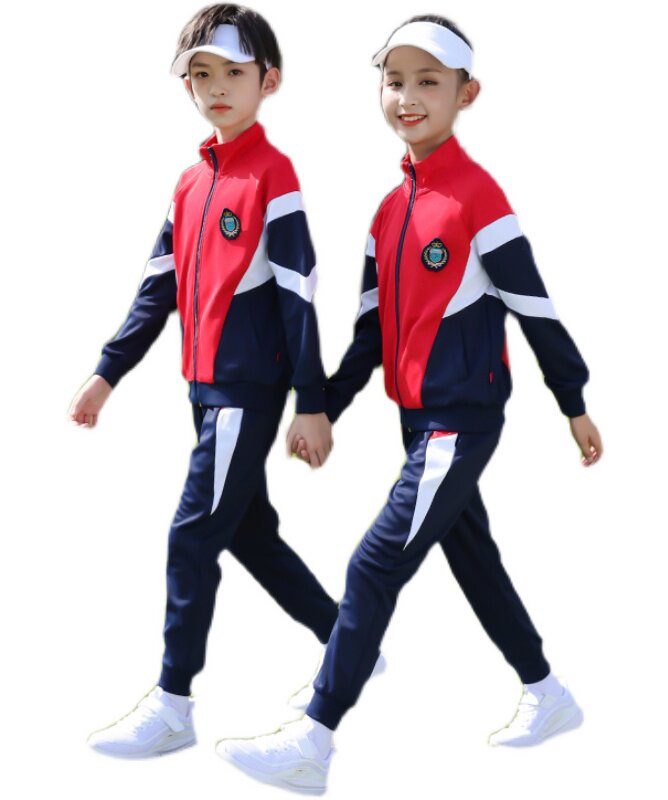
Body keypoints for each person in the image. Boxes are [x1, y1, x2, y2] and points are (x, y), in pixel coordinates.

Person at [216, 15, 603, 794]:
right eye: (395, 81)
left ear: (468, 93)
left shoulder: (479, 199)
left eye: (429, 81)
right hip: (417, 421)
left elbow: (535, 306)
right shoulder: (389, 213)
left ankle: (315, 738)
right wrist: (321, 407)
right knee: (474, 560)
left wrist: (573, 401)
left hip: (462, 422)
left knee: (372, 564)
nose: (409, 96)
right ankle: (548, 693)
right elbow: (371, 335)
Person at [67, 3, 340, 758]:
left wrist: (311, 403)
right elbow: (157, 289)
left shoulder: (273, 176)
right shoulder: (190, 182)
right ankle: (348, 640)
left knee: (192, 536)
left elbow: (300, 294)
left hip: (245, 393)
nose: (216, 87)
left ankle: (173, 704)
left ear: (268, 81)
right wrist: (106, 373)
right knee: (248, 533)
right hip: (203, 391)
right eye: (201, 74)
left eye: (233, 73)